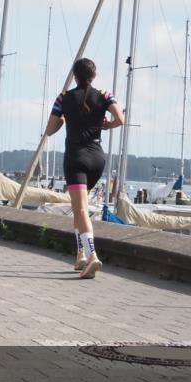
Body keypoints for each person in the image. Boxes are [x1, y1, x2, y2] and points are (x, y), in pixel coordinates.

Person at [45, 58, 125, 279]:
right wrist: (108, 125)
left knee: (80, 209)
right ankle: (80, 254)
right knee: (78, 206)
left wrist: (62, 121)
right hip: (97, 158)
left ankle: (92, 256)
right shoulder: (105, 95)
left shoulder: (63, 98)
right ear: (94, 76)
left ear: (74, 76)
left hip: (76, 159)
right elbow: (120, 118)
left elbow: (50, 129)